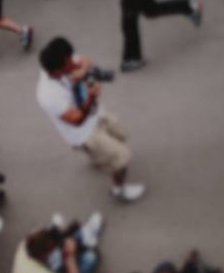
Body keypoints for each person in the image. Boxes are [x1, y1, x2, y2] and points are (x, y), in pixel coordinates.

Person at [36, 37, 145, 202]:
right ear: (57, 70)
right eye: (69, 64)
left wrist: (83, 70)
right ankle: (119, 190)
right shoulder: (48, 94)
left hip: (97, 114)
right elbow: (77, 120)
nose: (73, 64)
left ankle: (99, 158)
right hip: (84, 133)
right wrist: (91, 98)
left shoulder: (61, 58)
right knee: (122, 158)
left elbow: (84, 61)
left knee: (122, 135)